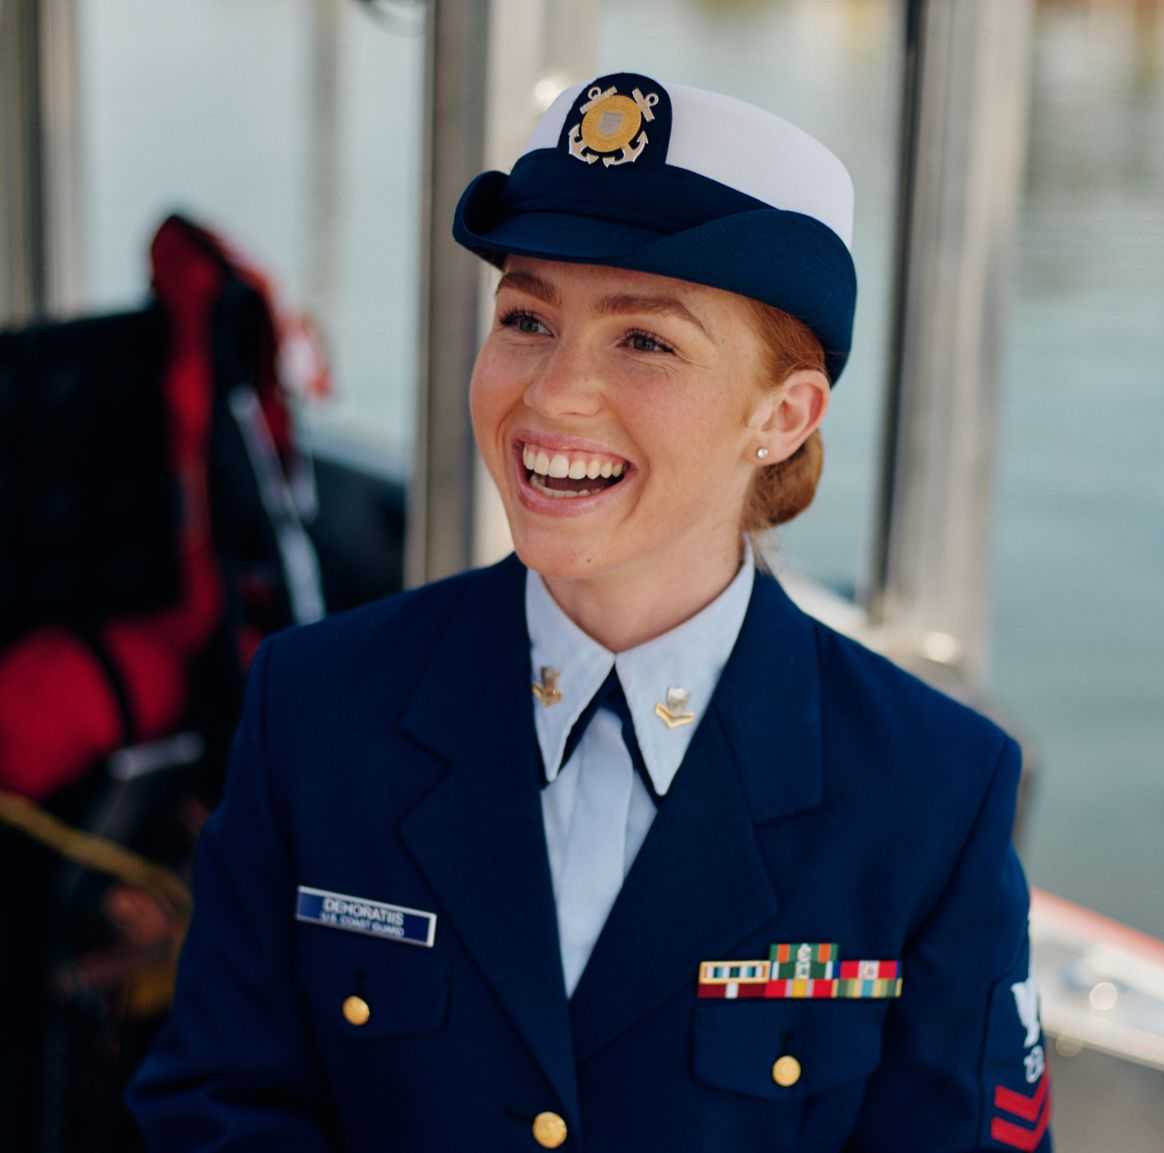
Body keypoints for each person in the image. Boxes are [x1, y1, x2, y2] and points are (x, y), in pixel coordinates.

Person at [127, 72, 1051, 1153]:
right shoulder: (318, 709)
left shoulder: (929, 792)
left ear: (781, 414)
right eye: (525, 317)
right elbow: (214, 1110)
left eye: (643, 341)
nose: (553, 393)